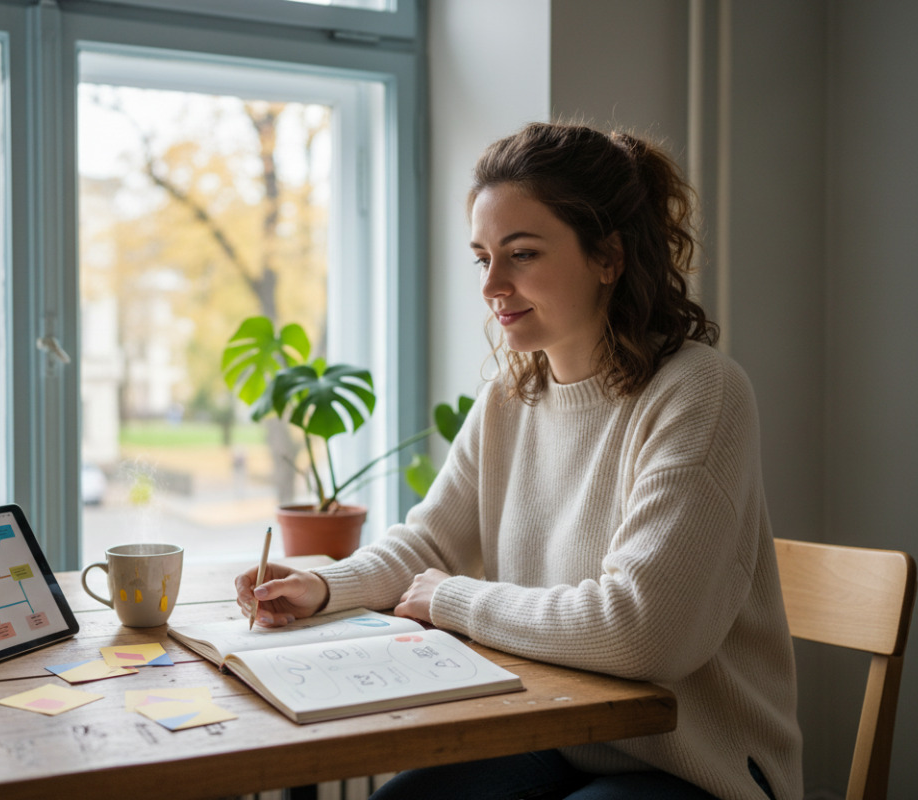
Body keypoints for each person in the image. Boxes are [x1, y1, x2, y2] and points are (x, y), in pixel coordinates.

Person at [235, 122, 802, 800]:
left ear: (608, 258)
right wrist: (325, 587)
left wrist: (455, 599)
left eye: (522, 254)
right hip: (565, 739)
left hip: (696, 766)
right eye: (483, 258)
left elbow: (645, 632)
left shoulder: (699, 392)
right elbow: (430, 542)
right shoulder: (512, 394)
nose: (492, 285)